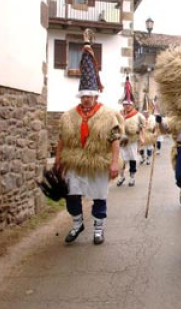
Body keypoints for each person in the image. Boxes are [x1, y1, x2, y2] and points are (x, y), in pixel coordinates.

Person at [54, 28, 124, 245]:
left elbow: (114, 140)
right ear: (80, 96)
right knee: (72, 195)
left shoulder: (108, 115)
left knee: (99, 197)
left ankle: (98, 228)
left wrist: (114, 163)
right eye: (83, 96)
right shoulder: (68, 116)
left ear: (96, 96)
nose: (86, 100)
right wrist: (58, 161)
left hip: (98, 163)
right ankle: (77, 224)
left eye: (90, 96)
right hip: (75, 162)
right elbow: (62, 140)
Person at [117, 99, 146, 187]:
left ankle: (132, 177)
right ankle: (121, 176)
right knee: (121, 160)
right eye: (125, 104)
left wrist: (140, 131)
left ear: (132, 105)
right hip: (122, 140)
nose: (127, 106)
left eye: (128, 105)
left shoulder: (138, 115)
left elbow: (144, 124)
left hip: (132, 140)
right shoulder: (120, 114)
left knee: (132, 158)